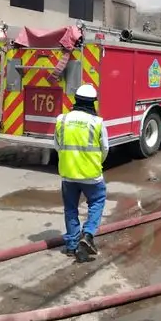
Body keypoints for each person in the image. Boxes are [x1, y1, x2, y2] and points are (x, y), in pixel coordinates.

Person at [53, 84, 109, 262]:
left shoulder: (61, 120)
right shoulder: (97, 122)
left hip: (68, 174)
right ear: (93, 103)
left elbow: (57, 145)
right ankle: (88, 234)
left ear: (75, 100)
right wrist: (96, 162)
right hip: (91, 174)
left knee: (70, 208)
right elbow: (105, 148)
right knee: (97, 201)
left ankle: (71, 246)